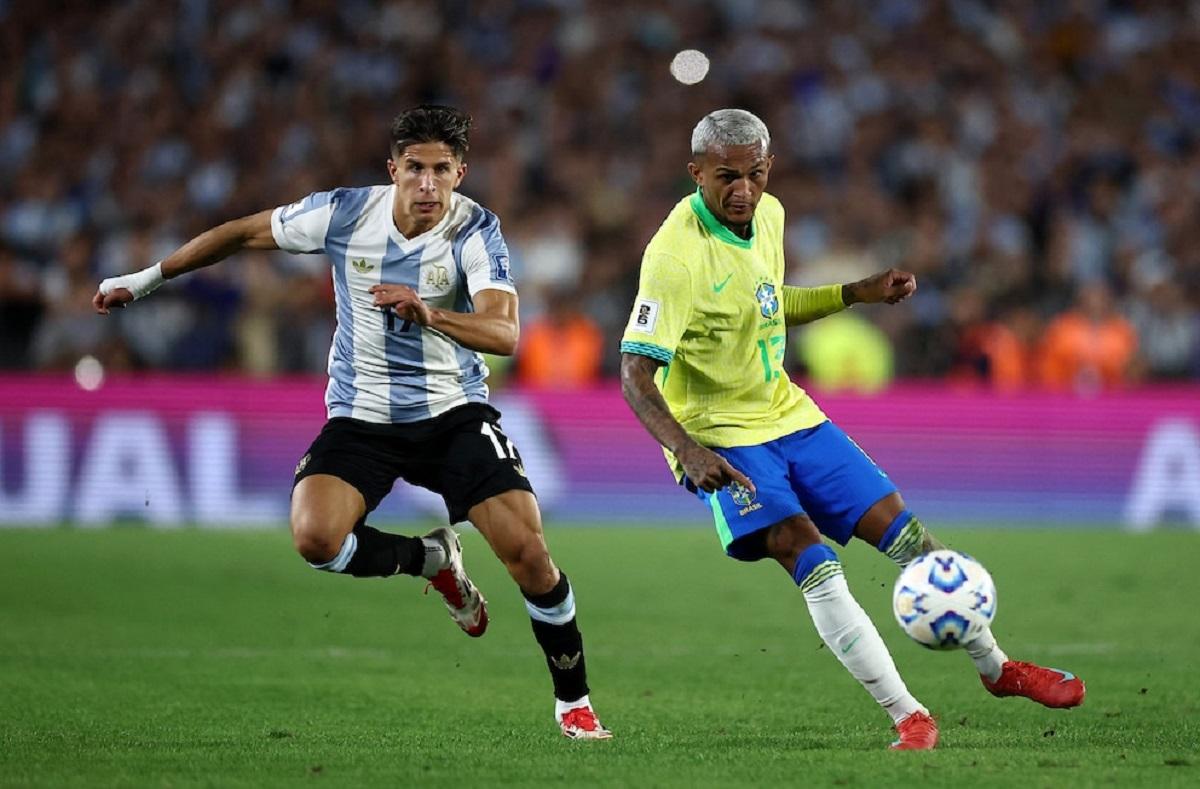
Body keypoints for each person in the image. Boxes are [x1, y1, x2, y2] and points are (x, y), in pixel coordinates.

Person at [93, 105, 611, 740]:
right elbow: (242, 234)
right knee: (316, 539)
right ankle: (430, 559)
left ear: (460, 173)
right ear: (392, 169)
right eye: (414, 168)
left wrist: (430, 314)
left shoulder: (475, 229)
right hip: (363, 417)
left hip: (452, 414)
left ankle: (573, 702)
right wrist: (145, 280)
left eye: (441, 170)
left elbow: (504, 333)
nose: (427, 184)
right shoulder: (343, 214)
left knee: (530, 556)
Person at [618, 109, 1085, 751]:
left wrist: (853, 293)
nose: (743, 191)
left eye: (755, 174)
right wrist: (687, 450)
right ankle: (909, 715)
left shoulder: (770, 215)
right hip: (720, 438)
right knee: (809, 554)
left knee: (909, 536)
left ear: (769, 167)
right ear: (695, 172)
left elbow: (765, 303)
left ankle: (997, 668)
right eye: (726, 177)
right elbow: (634, 373)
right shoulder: (674, 258)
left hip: (789, 414)